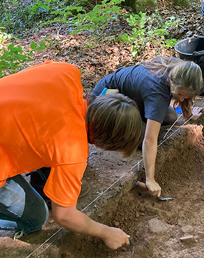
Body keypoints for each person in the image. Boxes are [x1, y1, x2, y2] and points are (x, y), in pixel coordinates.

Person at [0, 61, 143, 249]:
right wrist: (107, 232)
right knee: (37, 218)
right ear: (104, 142)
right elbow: (64, 215)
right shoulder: (72, 150)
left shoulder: (66, 72)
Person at [91, 57, 204, 198]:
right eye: (179, 94)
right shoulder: (157, 92)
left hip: (131, 100)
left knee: (171, 117)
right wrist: (150, 179)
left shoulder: (180, 68)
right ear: (172, 82)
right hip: (106, 103)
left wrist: (189, 110)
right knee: (141, 135)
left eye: (185, 96)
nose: (181, 99)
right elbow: (149, 140)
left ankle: (139, 116)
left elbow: (184, 96)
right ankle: (131, 122)